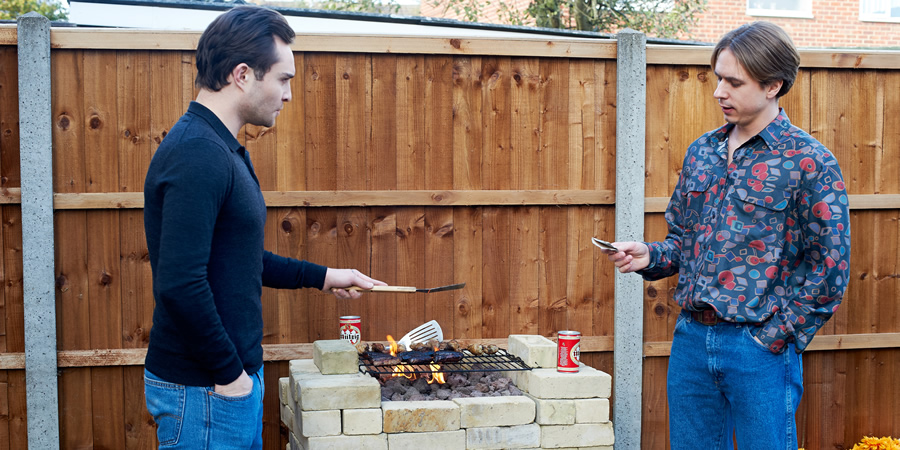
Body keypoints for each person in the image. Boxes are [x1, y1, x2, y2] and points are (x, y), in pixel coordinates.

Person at [142, 6, 385, 448]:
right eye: (283, 78)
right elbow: (179, 283)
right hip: (206, 394)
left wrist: (326, 278)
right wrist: (230, 377)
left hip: (222, 389)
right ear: (242, 74)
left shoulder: (221, 148)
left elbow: (238, 259)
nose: (288, 94)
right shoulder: (198, 154)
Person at [603, 22, 850, 449]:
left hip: (760, 351)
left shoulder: (809, 162)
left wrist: (776, 335)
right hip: (691, 343)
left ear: (773, 85)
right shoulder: (702, 152)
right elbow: (683, 240)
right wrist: (649, 255)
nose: (719, 91)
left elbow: (830, 268)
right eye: (719, 77)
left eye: (734, 82)